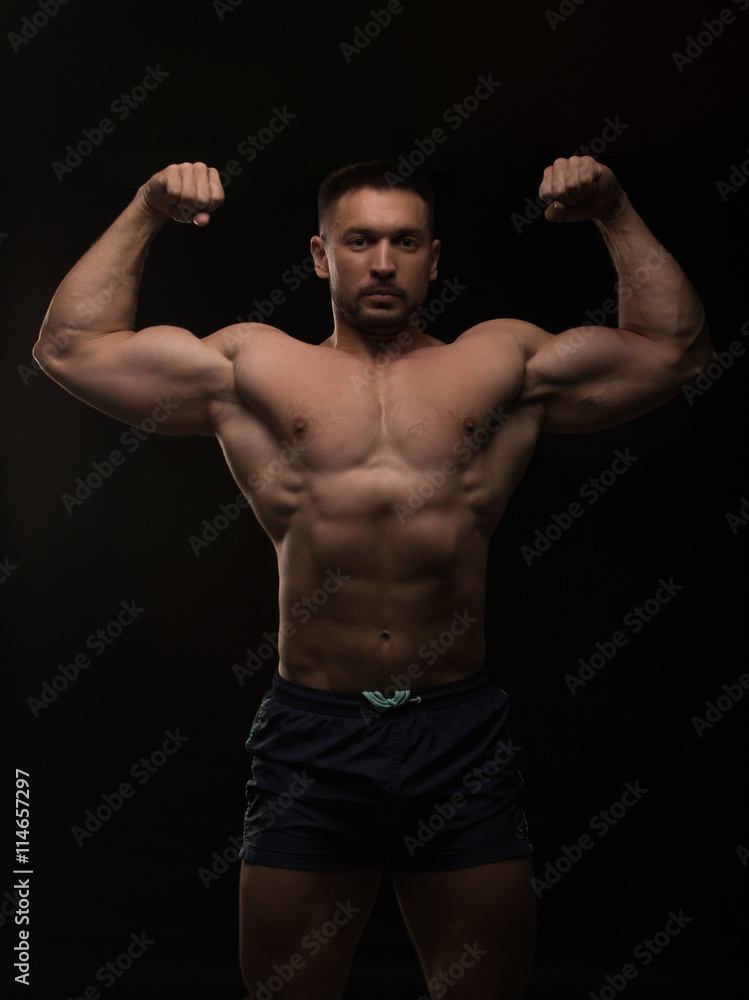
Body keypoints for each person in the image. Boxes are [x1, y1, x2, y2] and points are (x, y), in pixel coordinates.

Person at [33, 156, 711, 1000]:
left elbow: (672, 353)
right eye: (358, 241)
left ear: (435, 256)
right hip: (310, 736)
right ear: (320, 256)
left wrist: (614, 208)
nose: (382, 262)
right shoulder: (253, 368)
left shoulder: (501, 362)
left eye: (403, 241)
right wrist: (146, 207)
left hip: (456, 732)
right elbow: (69, 348)